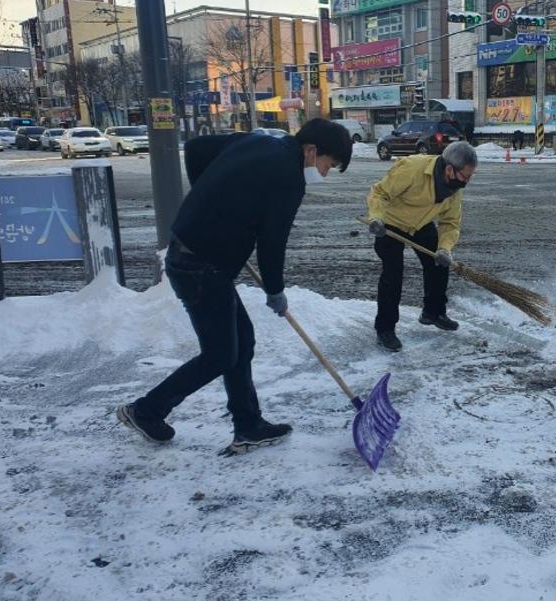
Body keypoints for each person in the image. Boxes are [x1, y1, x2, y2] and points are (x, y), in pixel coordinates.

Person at [118, 119, 353, 454]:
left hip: (194, 255)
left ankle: (248, 425)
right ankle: (146, 410)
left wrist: (212, 203)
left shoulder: (259, 141)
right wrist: (275, 289)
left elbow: (198, 149)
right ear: (312, 151)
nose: (325, 174)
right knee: (220, 355)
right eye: (328, 164)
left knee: (241, 343)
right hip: (200, 266)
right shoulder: (289, 178)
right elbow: (272, 242)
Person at [366, 141, 478, 352]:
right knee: (393, 273)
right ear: (449, 169)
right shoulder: (412, 168)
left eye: (471, 176)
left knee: (439, 263)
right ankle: (385, 329)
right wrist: (376, 219)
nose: (467, 181)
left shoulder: (454, 189)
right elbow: (380, 192)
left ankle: (433, 313)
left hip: (420, 224)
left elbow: (450, 223)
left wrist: (444, 249)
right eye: (465, 176)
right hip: (389, 224)